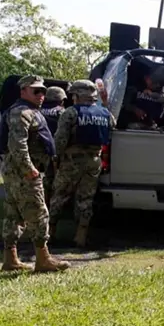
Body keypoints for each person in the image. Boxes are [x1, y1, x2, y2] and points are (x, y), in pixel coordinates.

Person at [0, 75, 69, 272]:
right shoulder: (22, 112)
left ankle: (10, 259)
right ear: (23, 91)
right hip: (24, 172)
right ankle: (43, 259)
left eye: (43, 91)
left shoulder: (29, 110)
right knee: (39, 213)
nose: (41, 95)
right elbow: (17, 144)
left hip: (16, 170)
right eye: (36, 91)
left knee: (14, 214)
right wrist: (29, 169)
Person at [49, 80, 115, 248]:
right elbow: (112, 127)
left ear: (77, 95)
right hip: (94, 161)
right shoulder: (105, 113)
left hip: (72, 161)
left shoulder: (71, 113)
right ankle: (81, 236)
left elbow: (60, 139)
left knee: (59, 195)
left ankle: (49, 233)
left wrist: (56, 158)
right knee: (85, 198)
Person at [40, 86, 66, 204]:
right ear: (60, 99)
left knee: (45, 176)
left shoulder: (38, 110)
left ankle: (43, 200)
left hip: (40, 148)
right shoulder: (62, 112)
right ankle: (53, 202)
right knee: (56, 178)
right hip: (56, 149)